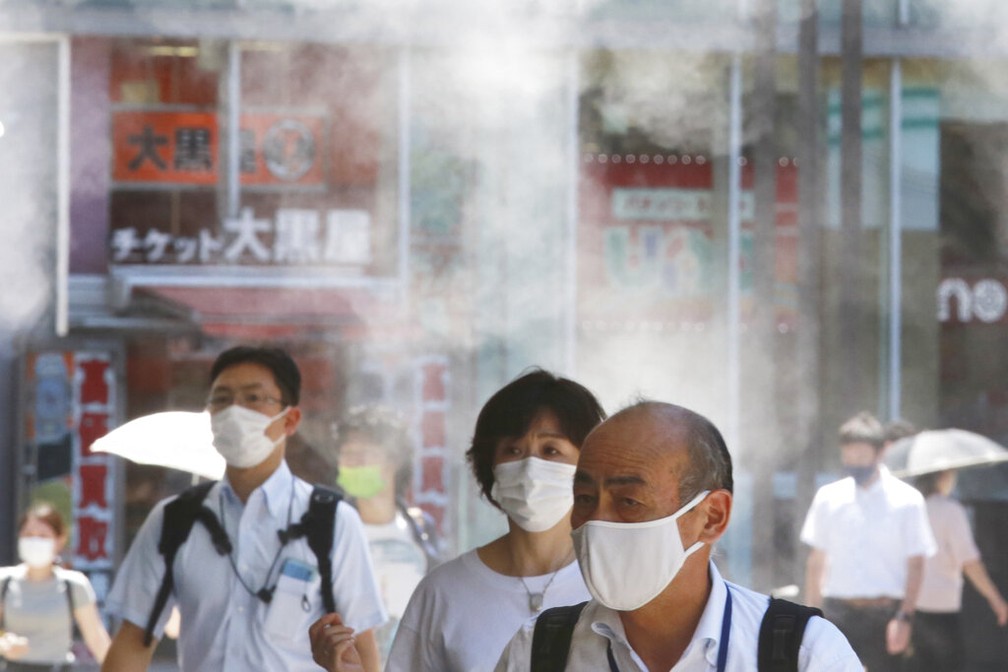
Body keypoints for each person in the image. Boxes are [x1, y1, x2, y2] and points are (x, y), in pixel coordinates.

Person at [494, 401, 861, 671]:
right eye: (585, 499)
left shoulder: (804, 653)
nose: (596, 522)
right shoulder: (538, 651)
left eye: (629, 501)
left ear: (712, 517)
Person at [101, 345, 386, 672]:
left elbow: (362, 650)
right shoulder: (173, 520)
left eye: (253, 398)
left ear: (290, 419)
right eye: (221, 399)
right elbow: (132, 643)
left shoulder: (333, 522)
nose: (234, 412)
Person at [313, 369, 605, 672]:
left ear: (588, 464)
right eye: (513, 450)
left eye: (551, 450)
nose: (530, 467)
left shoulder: (612, 586)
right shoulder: (444, 592)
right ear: (489, 466)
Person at [801, 411, 936, 672]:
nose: (855, 462)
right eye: (849, 455)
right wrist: (811, 615)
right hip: (837, 612)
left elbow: (917, 564)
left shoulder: (907, 500)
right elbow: (816, 560)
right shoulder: (829, 497)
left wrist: (904, 617)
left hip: (885, 614)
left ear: (879, 453)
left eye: (861, 456)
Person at [332, 405, 445, 658]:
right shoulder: (330, 529)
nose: (355, 463)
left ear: (394, 461)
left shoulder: (420, 528)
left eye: (365, 454)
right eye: (347, 454)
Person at [904, 468, 1008, 672]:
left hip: (906, 610)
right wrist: (996, 600)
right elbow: (969, 562)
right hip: (942, 611)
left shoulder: (908, 509)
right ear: (944, 476)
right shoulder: (949, 510)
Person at [0, 503, 111, 671]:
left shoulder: (73, 585)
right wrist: (3, 642)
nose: (35, 541)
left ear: (60, 539)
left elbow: (96, 639)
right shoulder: (4, 580)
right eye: (28, 534)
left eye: (43, 536)